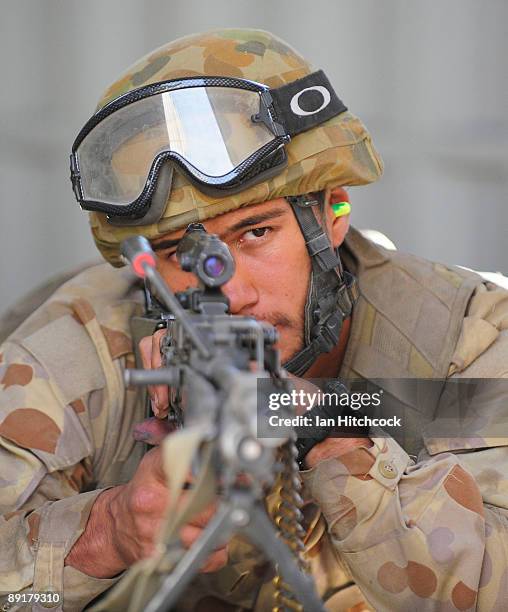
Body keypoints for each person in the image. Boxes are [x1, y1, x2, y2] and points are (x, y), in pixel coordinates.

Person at [1, 28, 507, 612]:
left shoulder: (463, 340)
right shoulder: (78, 349)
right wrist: (102, 534)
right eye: (177, 254)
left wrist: (330, 429)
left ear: (332, 212)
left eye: (257, 232)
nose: (230, 291)